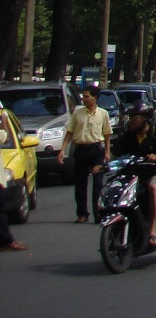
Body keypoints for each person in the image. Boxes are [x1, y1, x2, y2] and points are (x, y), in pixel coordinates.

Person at [107, 101, 156, 247]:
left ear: (145, 118)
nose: (131, 120)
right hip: (135, 175)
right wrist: (102, 164)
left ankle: (153, 231)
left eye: (135, 117)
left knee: (154, 187)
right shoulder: (127, 136)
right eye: (131, 117)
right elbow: (114, 154)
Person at [63, 84, 114, 223]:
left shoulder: (103, 113)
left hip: (97, 151)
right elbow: (69, 132)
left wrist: (107, 152)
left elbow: (107, 134)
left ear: (95, 97)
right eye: (83, 96)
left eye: (87, 96)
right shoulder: (77, 113)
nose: (84, 99)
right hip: (81, 150)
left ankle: (98, 213)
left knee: (97, 184)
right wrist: (63, 149)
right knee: (80, 184)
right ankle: (82, 213)